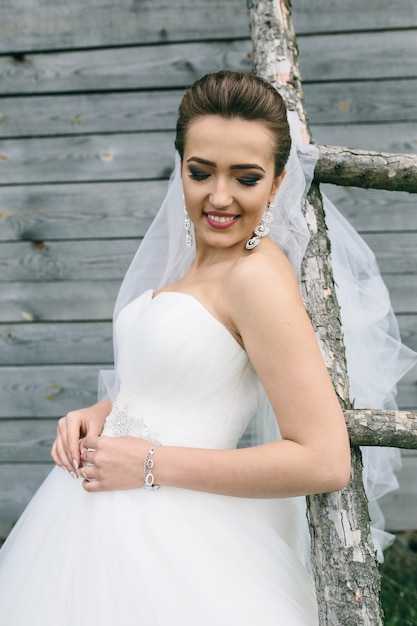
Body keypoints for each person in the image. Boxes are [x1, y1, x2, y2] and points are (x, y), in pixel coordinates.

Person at [0, 70, 413, 625]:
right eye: (201, 172)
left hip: (174, 532)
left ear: (278, 182)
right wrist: (102, 414)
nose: (219, 197)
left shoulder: (255, 278)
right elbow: (181, 381)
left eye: (245, 178)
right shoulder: (196, 261)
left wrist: (147, 462)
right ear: (181, 168)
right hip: (93, 510)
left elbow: (324, 459)